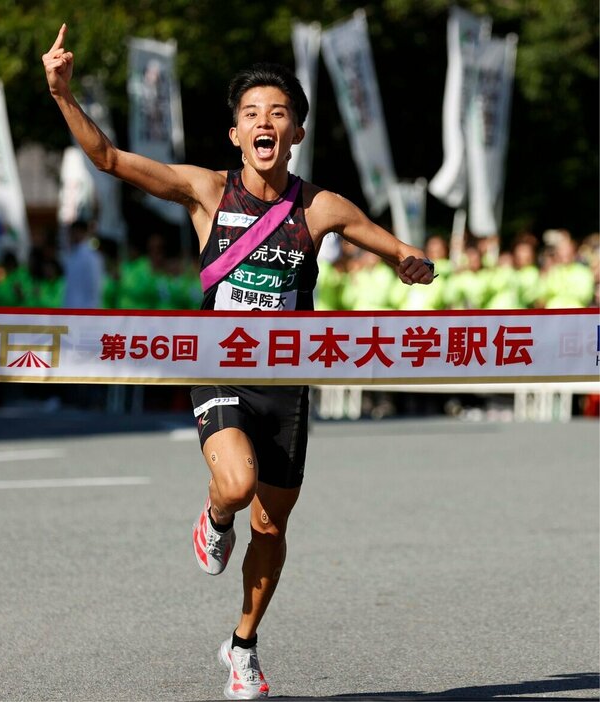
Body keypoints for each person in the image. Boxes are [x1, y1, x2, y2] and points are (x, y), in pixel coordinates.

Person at [43, 24, 435, 700]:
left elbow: (394, 248)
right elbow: (107, 157)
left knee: (273, 526)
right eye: (252, 113)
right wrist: (61, 95)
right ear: (234, 134)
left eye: (278, 114)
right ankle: (213, 518)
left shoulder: (320, 207)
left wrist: (409, 261)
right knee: (235, 485)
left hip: (285, 382)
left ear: (296, 134)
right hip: (219, 366)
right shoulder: (205, 191)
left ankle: (243, 646)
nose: (265, 122)